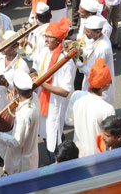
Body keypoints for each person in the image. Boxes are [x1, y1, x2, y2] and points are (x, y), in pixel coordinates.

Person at [31, 17, 75, 154]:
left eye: (49, 37)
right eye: (45, 36)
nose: (46, 39)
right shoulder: (44, 51)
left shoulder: (66, 62)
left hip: (55, 105)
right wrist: (33, 77)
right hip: (41, 99)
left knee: (53, 138)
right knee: (45, 133)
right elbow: (36, 70)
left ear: (58, 40)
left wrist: (42, 84)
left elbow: (65, 91)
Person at [68, 58, 114, 158]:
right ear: (103, 87)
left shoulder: (76, 96)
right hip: (99, 155)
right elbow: (111, 138)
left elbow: (69, 121)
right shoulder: (107, 108)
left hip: (78, 151)